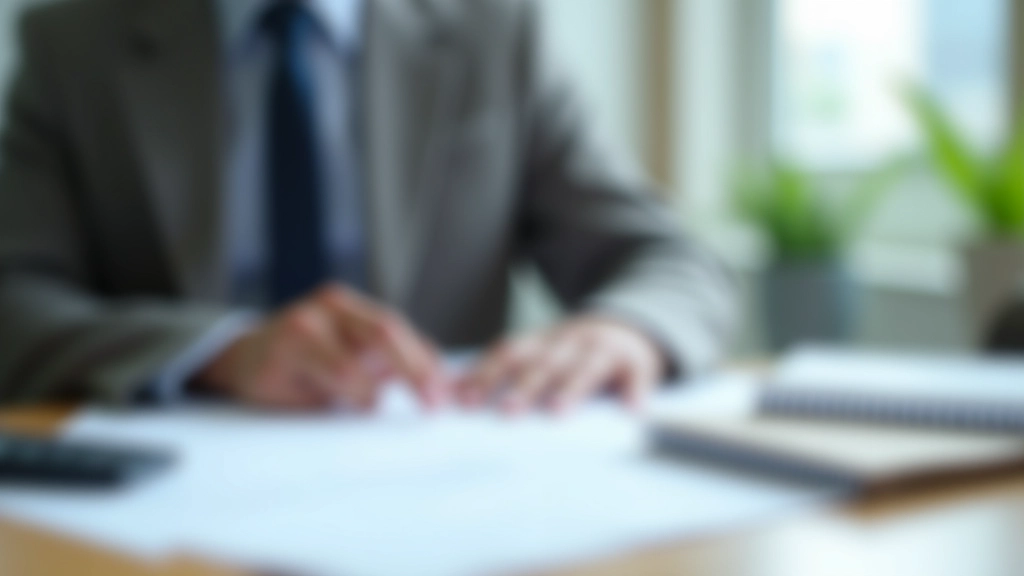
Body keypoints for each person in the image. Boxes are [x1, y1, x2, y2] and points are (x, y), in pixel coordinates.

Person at [0, 0, 737, 413]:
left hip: (443, 495)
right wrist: (216, 352)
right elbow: (14, 298)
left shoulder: (496, 28)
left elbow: (671, 260)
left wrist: (624, 329)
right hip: (157, 510)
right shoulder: (71, 43)